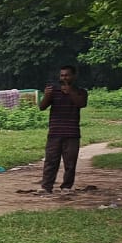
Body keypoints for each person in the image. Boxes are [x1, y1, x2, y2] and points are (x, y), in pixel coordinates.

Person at [38, 64, 89, 193]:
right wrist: (47, 95)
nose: (64, 77)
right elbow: (42, 107)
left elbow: (81, 103)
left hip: (72, 133)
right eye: (62, 75)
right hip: (55, 132)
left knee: (70, 163)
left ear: (73, 76)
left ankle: (66, 187)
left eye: (67, 75)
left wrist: (70, 91)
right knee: (51, 161)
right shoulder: (54, 91)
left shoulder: (81, 91)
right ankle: (46, 187)